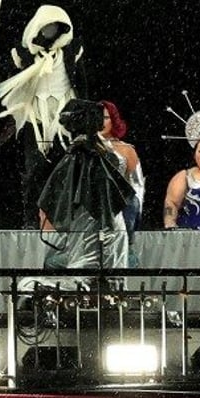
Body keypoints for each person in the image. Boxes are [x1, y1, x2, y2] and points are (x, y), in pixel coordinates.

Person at [0, 5, 87, 228]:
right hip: (35, 119)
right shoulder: (24, 54)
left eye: (55, 27)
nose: (50, 31)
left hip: (65, 120)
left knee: (69, 170)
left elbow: (82, 85)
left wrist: (84, 123)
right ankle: (31, 221)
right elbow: (4, 80)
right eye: (46, 27)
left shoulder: (72, 51)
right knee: (33, 172)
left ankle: (68, 220)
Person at [36, 99, 135, 284]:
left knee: (89, 276)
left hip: (98, 226)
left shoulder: (84, 156)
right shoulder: (96, 154)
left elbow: (58, 194)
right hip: (102, 225)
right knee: (104, 277)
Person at [99, 100, 144, 266]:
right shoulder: (82, 146)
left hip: (121, 209)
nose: (100, 122)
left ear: (113, 120)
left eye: (105, 117)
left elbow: (137, 188)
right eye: (96, 117)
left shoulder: (126, 149)